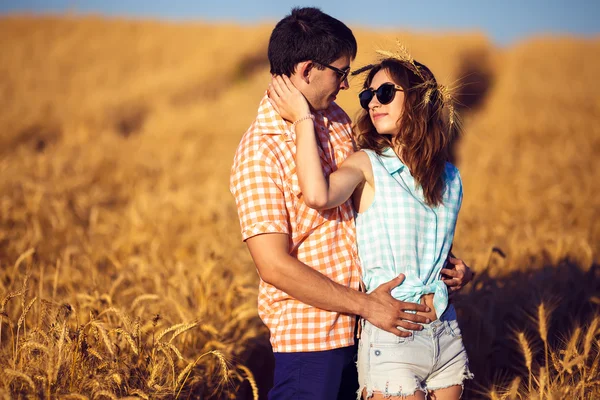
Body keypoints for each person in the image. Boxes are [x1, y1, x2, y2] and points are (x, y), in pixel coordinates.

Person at [230, 7, 473, 400]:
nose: (347, 86)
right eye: (342, 73)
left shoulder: (338, 120)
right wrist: (366, 305)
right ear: (309, 70)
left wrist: (440, 263)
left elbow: (388, 206)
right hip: (313, 341)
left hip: (371, 328)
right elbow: (274, 266)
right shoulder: (260, 152)